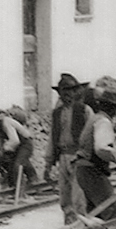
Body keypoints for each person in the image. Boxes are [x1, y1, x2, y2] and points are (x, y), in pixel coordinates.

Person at [47, 73, 92, 221]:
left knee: (79, 197)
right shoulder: (56, 113)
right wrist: (48, 163)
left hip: (78, 157)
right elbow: (52, 138)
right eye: (63, 92)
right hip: (63, 157)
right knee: (65, 197)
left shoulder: (84, 110)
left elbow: (93, 134)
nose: (66, 95)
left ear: (75, 92)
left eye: (69, 91)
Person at [77, 90, 116, 219]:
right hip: (92, 171)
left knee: (96, 212)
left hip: (82, 169)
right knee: (113, 210)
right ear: (113, 108)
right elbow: (101, 148)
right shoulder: (104, 122)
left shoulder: (95, 118)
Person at [0, 108, 35, 192]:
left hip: (25, 143)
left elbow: (15, 140)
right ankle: (32, 179)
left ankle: (19, 190)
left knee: (17, 164)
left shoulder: (5, 122)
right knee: (9, 161)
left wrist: (5, 149)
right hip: (19, 145)